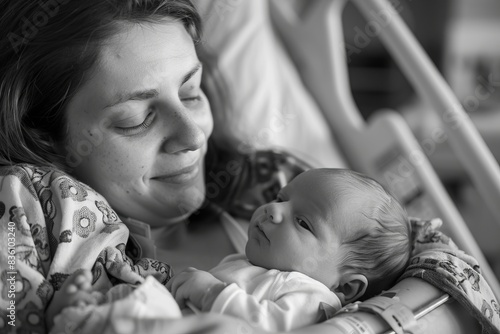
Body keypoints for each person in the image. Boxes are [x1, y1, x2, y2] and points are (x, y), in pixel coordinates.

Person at [0, 1, 497, 334]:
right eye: (136, 118)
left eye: (191, 92)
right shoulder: (33, 220)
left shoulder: (269, 181)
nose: (194, 135)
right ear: (45, 136)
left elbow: (447, 262)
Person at [167, 168, 411, 331]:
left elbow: (268, 327)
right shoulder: (253, 264)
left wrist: (211, 293)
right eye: (281, 198)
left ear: (346, 287)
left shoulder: (312, 296)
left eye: (303, 223)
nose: (273, 210)